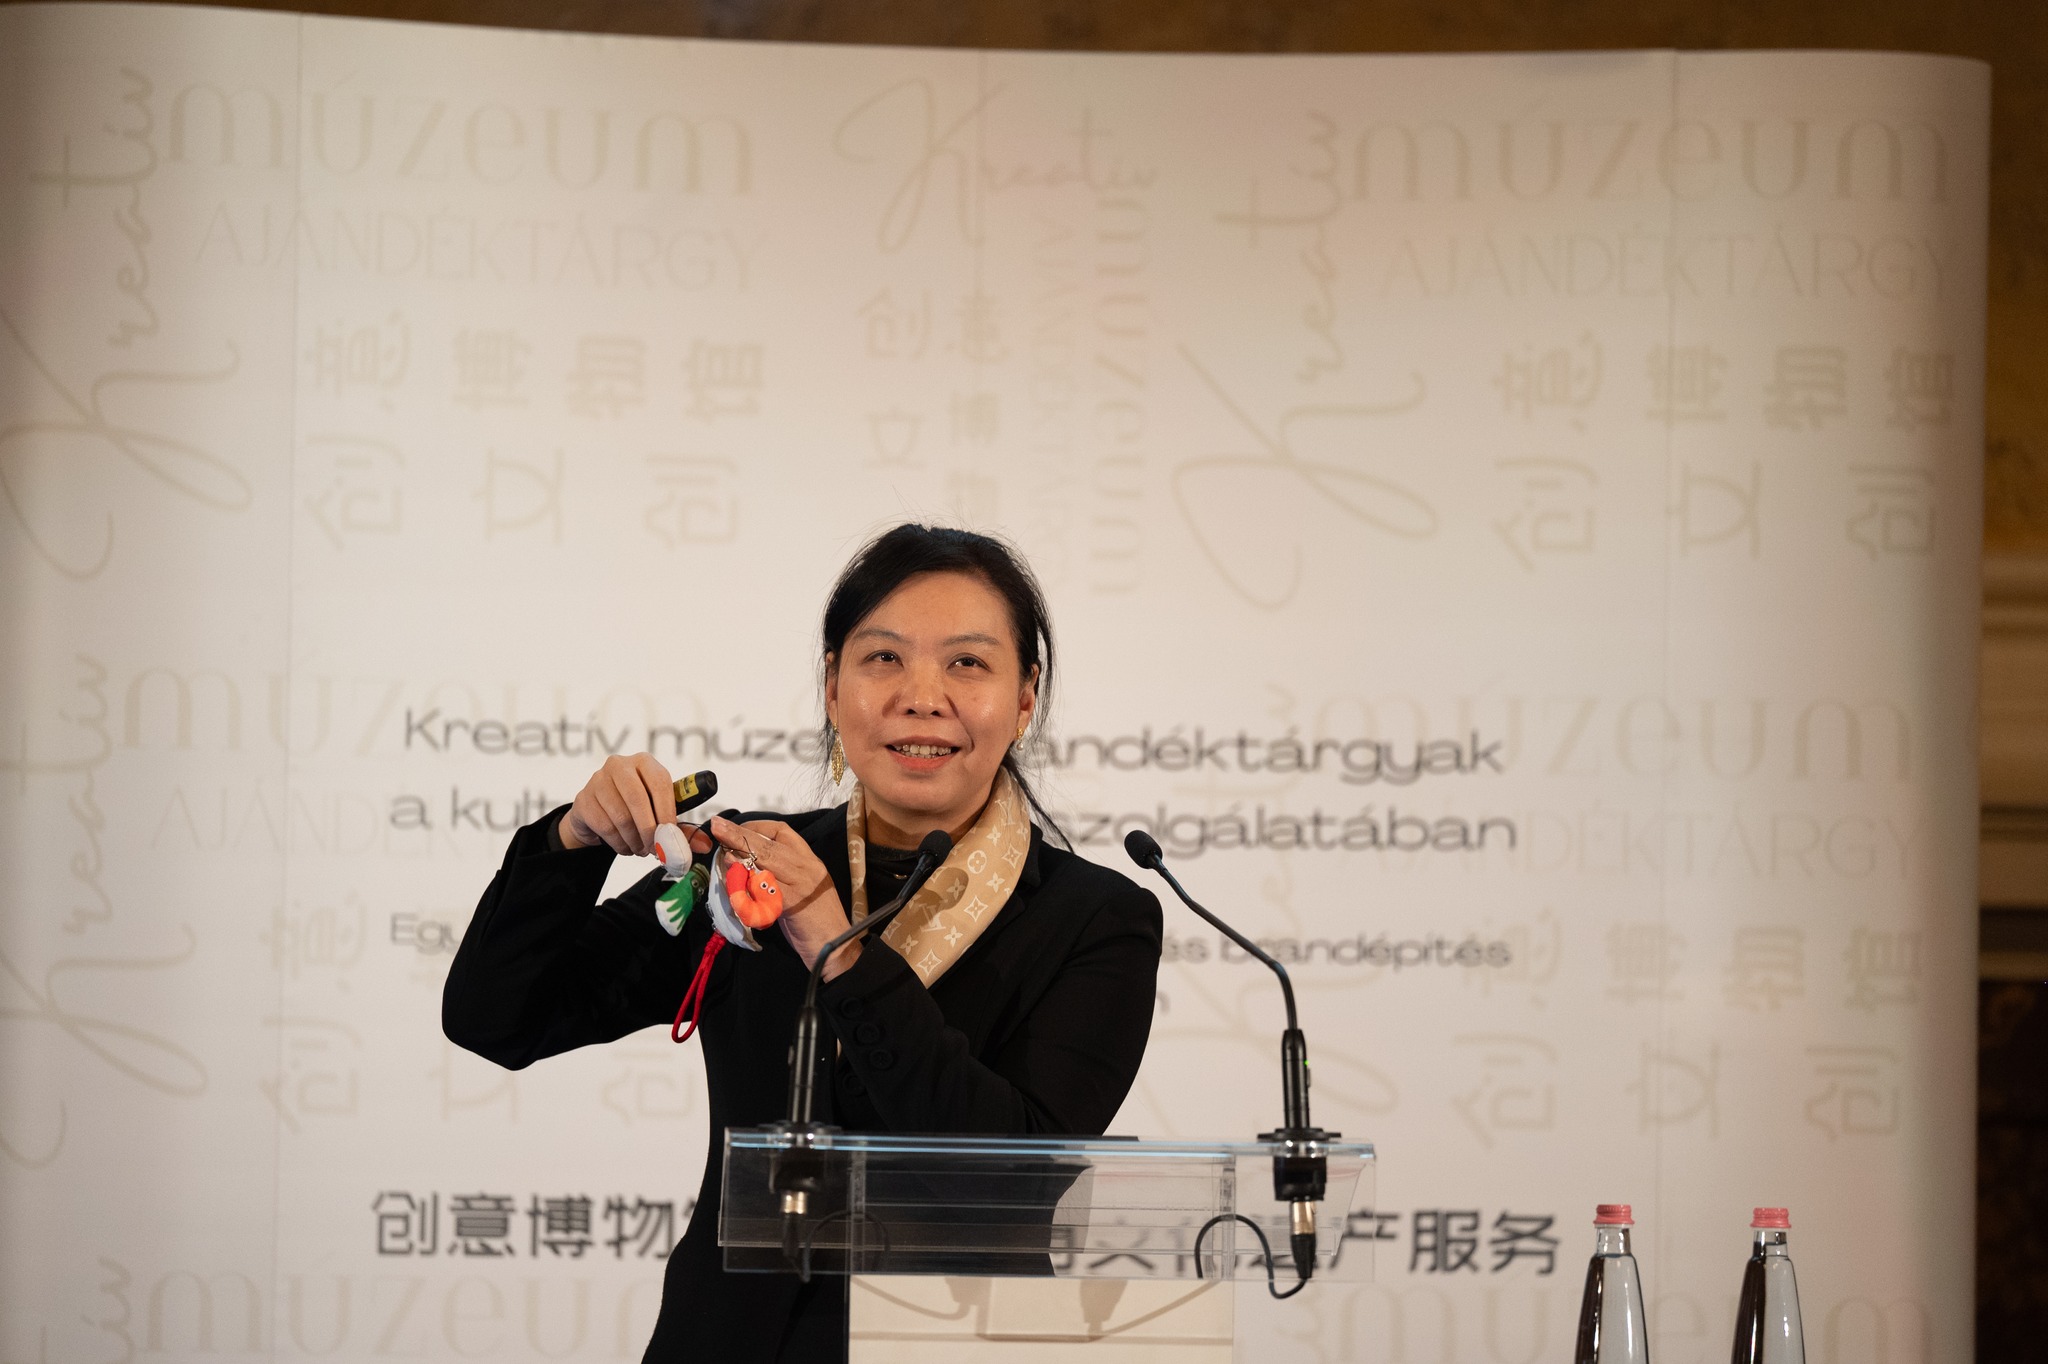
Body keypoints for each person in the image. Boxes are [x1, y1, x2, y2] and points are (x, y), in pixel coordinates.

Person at [442, 524, 1165, 1363]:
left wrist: (843, 952)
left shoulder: (1096, 918)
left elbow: (1015, 1177)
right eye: (883, 658)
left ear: (1026, 697)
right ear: (831, 685)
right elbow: (499, 1019)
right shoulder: (750, 861)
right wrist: (571, 843)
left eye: (967, 663)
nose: (922, 696)